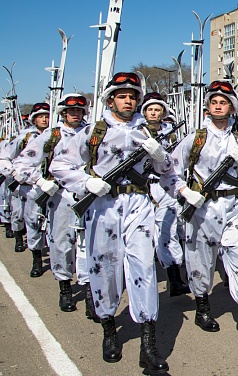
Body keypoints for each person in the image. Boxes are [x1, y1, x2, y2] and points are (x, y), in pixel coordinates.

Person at [50, 73, 171, 372]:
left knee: (143, 267)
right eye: (122, 95)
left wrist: (160, 155)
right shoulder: (93, 131)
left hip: (139, 205)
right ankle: (108, 329)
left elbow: (167, 169)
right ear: (110, 99)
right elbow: (60, 165)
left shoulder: (146, 130)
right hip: (103, 206)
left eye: (132, 96)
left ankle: (148, 343)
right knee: (104, 267)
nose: (128, 100)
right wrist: (86, 182)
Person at [163, 81, 238, 340]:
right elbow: (169, 171)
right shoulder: (195, 138)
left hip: (232, 206)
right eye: (214, 102)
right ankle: (202, 306)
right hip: (203, 208)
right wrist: (184, 192)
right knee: (201, 261)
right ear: (208, 107)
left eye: (223, 102)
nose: (217, 105)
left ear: (232, 109)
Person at [12, 94, 96, 316]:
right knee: (61, 243)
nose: (76, 114)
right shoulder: (52, 136)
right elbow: (21, 164)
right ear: (63, 113)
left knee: (89, 245)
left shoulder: (93, 132)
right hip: (61, 196)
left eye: (79, 111)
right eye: (71, 111)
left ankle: (90, 291)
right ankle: (65, 286)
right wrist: (39, 181)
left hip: (90, 194)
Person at [140, 92, 190, 298]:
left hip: (166, 186)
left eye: (157, 109)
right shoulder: (136, 132)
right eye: (150, 109)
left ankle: (174, 278)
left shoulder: (171, 133)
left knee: (168, 231)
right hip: (142, 187)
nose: (153, 113)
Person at [2, 102, 50, 271]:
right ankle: (36, 257)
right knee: (32, 220)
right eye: (40, 117)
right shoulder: (26, 138)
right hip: (30, 186)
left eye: (47, 116)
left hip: (53, 185)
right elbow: (5, 158)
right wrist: (14, 173)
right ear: (34, 120)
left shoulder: (57, 136)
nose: (44, 119)